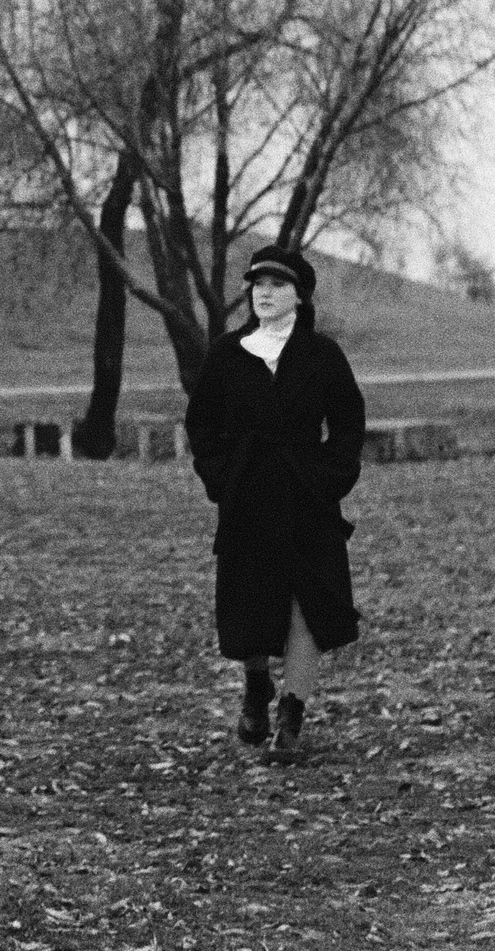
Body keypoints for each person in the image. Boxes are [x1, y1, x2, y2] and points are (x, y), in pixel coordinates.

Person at [183, 245, 366, 763]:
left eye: (277, 284)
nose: (264, 292)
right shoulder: (226, 354)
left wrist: (331, 477)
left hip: (308, 497)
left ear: (299, 296)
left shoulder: (322, 355)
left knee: (308, 605)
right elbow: (202, 424)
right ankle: (256, 686)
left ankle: (291, 716)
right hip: (246, 496)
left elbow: (349, 422)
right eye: (257, 283)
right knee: (250, 604)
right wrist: (220, 476)